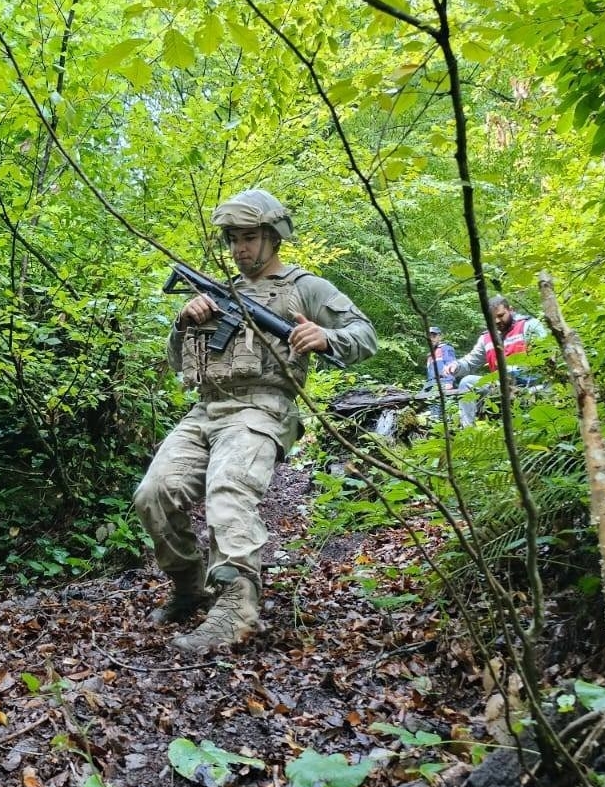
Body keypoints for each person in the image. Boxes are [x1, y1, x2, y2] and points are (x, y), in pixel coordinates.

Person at [133, 190, 377, 654]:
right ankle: (189, 588)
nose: (240, 249)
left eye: (249, 238)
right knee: (154, 493)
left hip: (263, 407)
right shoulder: (218, 291)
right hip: (205, 408)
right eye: (233, 240)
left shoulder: (306, 287)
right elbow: (175, 363)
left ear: (273, 237)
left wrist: (324, 336)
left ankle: (235, 610)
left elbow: (364, 335)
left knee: (229, 491)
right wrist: (184, 322)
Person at [442, 295, 551, 427]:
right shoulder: (486, 338)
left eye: (501, 315)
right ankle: (468, 432)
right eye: (493, 319)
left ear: (510, 310)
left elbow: (547, 356)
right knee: (466, 382)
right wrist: (456, 366)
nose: (497, 321)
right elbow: (470, 362)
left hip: (531, 385)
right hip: (500, 387)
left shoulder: (529, 325)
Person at [424, 326, 457, 392]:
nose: (431, 339)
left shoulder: (446, 348)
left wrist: (449, 382)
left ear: (440, 337)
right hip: (430, 384)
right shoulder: (430, 354)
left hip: (443, 382)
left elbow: (451, 365)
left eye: (434, 336)